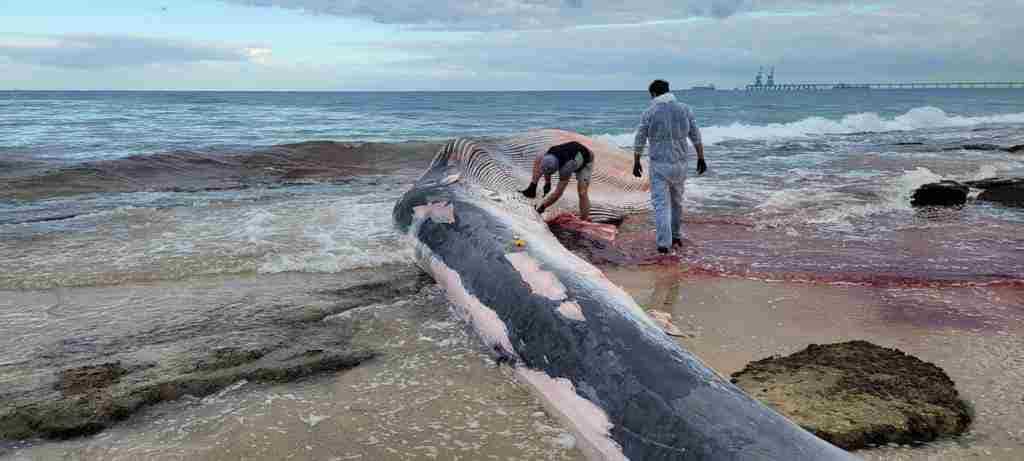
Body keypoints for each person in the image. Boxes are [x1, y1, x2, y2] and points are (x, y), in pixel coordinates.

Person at [633, 79, 706, 254]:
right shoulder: (685, 109)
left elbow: (640, 138)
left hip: (659, 164)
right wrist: (701, 158)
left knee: (661, 205)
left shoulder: (650, 112)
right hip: (680, 164)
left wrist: (636, 160)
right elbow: (695, 135)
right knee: (677, 202)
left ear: (653, 93)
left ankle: (664, 244)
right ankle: (676, 236)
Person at [520, 140, 593, 221]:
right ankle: (532, 187)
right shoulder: (547, 155)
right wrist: (548, 183)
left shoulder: (566, 168)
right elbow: (546, 169)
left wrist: (542, 208)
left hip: (585, 161)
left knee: (582, 192)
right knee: (539, 158)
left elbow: (559, 192)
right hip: (572, 153)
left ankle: (583, 220)